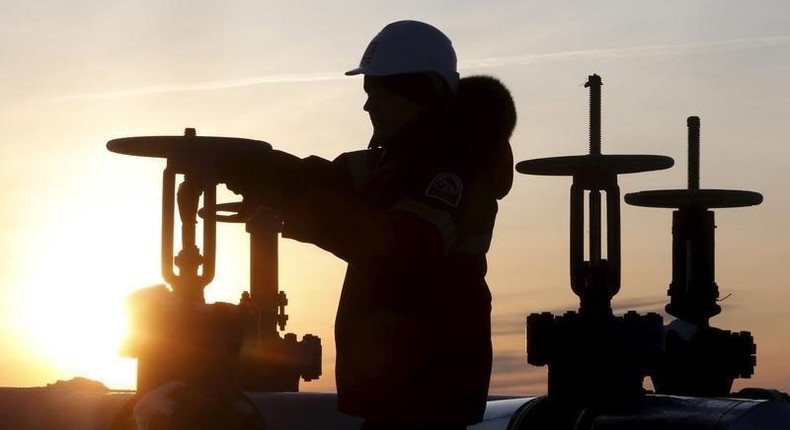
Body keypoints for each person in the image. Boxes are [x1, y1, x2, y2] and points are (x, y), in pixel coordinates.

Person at [222, 20, 517, 430]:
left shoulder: (454, 172)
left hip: (426, 398)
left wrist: (285, 198)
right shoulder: (401, 161)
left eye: (374, 92)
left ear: (413, 92)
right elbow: (328, 180)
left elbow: (393, 245)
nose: (367, 106)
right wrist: (254, 170)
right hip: (402, 399)